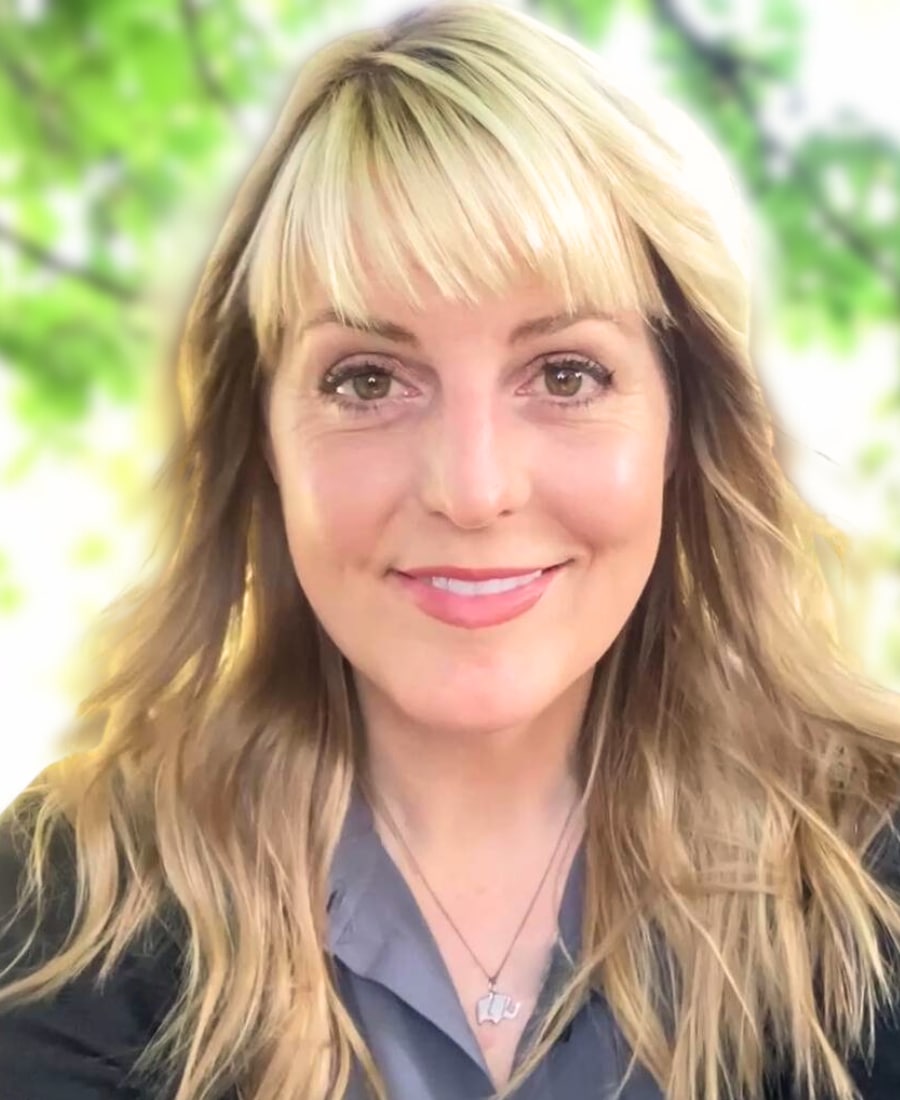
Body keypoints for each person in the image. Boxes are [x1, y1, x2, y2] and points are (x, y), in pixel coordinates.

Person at [1, 1, 899, 1097]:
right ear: (261, 443)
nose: (472, 489)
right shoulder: (72, 898)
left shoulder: (874, 869)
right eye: (367, 380)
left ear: (685, 427)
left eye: (566, 373)